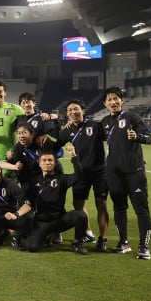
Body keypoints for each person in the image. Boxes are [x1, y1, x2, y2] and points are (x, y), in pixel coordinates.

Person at [100, 86, 151, 259]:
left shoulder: (132, 117)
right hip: (114, 173)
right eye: (109, 100)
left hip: (134, 172)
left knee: (141, 210)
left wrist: (137, 137)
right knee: (119, 208)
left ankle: (144, 247)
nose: (113, 102)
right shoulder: (104, 122)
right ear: (105, 104)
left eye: (116, 98)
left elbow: (149, 138)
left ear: (122, 100)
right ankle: (124, 243)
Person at [55, 99, 109, 251]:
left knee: (101, 205)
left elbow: (113, 138)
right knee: (78, 205)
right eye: (70, 110)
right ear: (67, 114)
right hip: (81, 173)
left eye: (76, 109)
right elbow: (55, 144)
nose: (73, 112)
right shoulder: (66, 131)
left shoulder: (96, 125)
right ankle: (88, 232)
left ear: (83, 111)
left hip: (100, 173)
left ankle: (103, 239)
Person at [22, 147, 89, 255]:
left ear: (55, 163)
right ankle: (46, 236)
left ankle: (77, 243)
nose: (47, 163)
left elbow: (78, 177)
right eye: (44, 160)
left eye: (50, 160)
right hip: (41, 222)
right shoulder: (33, 181)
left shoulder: (62, 179)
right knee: (32, 247)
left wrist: (74, 157)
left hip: (59, 220)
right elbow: (24, 198)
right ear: (39, 163)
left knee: (80, 215)